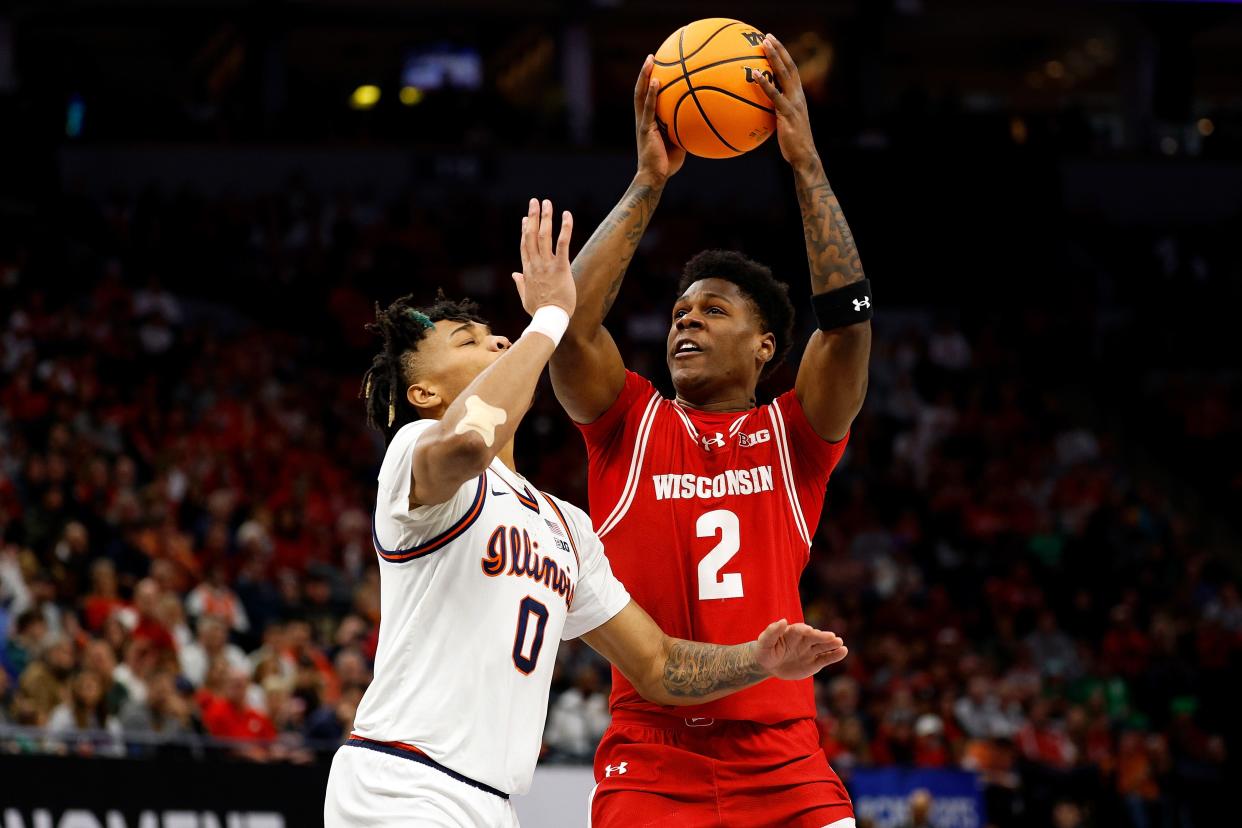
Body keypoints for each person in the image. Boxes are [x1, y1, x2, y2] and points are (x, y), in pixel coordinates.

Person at [322, 198, 849, 827]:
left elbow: (657, 664)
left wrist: (759, 662)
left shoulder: (565, 527)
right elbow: (468, 442)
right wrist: (549, 316)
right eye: (468, 339)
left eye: (494, 332)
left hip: (491, 800)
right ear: (424, 393)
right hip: (400, 780)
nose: (496, 337)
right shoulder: (416, 459)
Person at [548, 36, 870, 828]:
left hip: (783, 755)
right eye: (680, 311)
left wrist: (805, 165)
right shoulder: (629, 421)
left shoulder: (796, 436)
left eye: (714, 310)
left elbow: (850, 324)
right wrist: (648, 181)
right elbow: (567, 327)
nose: (686, 320)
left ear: (767, 346)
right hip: (653, 754)